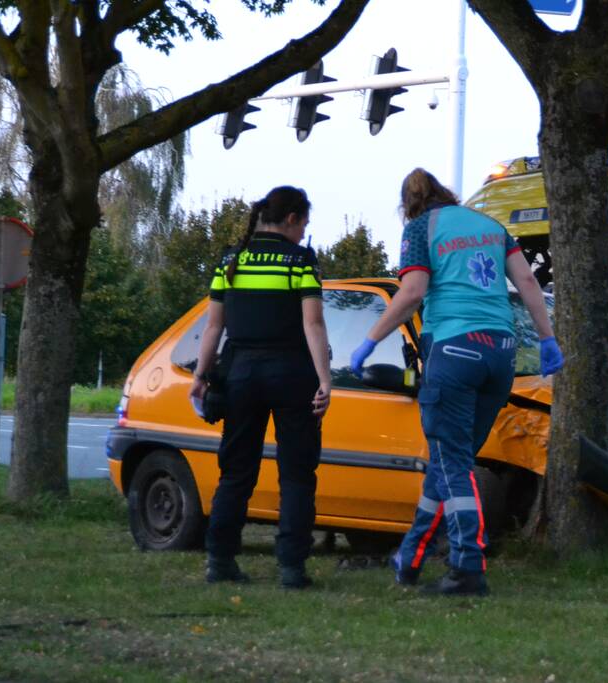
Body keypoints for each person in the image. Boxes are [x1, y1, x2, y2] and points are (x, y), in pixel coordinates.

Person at [350, 168, 564, 596]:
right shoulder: (490, 226)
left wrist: (370, 341)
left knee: (455, 464)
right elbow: (525, 281)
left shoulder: (418, 229)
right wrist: (547, 338)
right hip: (501, 354)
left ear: (408, 205)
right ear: (447, 194)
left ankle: (468, 564)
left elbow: (412, 291)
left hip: (453, 350)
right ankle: (408, 559)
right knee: (449, 463)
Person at [189, 185, 331, 589]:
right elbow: (313, 324)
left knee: (235, 471)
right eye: (303, 223)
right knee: (298, 473)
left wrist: (201, 377)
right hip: (292, 373)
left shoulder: (231, 260)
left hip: (240, 375)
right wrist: (324, 379)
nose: (304, 233)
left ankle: (220, 561)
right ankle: (291, 568)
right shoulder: (300, 261)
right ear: (290, 219)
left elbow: (213, 326)